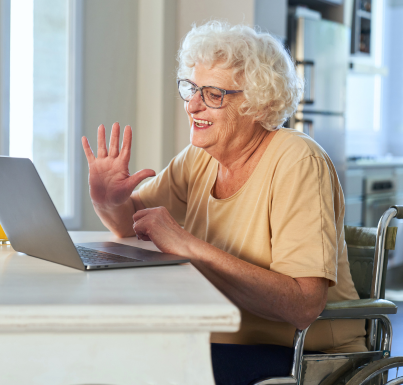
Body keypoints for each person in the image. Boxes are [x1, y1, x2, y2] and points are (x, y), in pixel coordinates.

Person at [81, 21, 366, 385]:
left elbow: (304, 305)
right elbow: (129, 224)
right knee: (108, 355)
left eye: (213, 94)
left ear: (255, 102)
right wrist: (108, 201)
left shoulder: (298, 161)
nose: (192, 105)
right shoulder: (200, 158)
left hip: (303, 350)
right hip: (220, 337)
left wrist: (186, 244)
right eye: (192, 89)